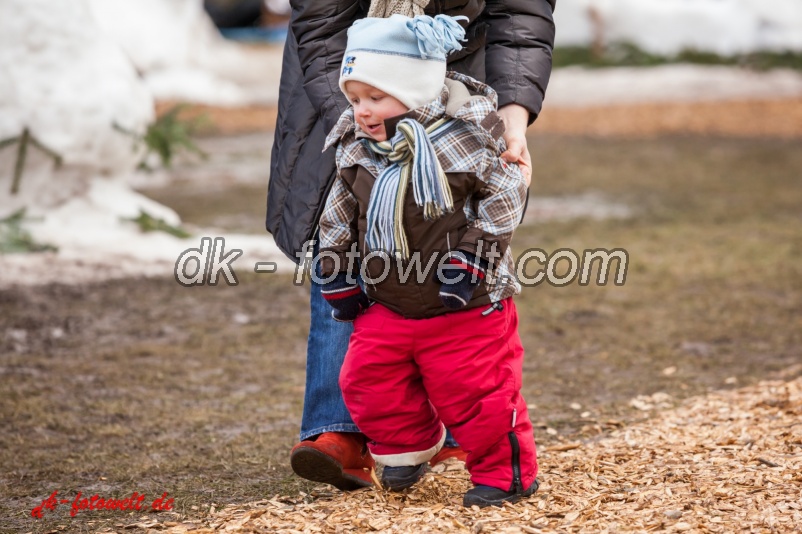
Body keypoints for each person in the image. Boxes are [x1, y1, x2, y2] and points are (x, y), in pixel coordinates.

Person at [266, 0, 555, 491]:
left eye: (372, 98)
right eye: (359, 99)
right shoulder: (359, 128)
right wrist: (367, 120)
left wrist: (511, 119)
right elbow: (337, 214)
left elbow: (520, 18)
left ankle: (496, 465)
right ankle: (378, 439)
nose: (362, 109)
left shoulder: (463, 140)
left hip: (461, 287)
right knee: (371, 370)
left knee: (473, 380)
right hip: (348, 74)